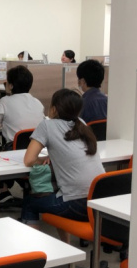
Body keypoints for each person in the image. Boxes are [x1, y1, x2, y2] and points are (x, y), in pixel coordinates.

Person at [22, 89, 104, 240]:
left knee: (29, 203)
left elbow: (29, 160)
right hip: (99, 202)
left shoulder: (47, 126)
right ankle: (66, 248)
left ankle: (32, 249)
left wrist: (43, 159)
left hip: (77, 204)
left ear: (54, 109)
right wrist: (53, 157)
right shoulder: (82, 124)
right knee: (58, 194)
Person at [0, 65, 45, 210]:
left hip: (15, 151)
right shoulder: (37, 102)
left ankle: (3, 191)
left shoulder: (5, 101)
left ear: (11, 85)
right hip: (38, 151)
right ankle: (27, 189)